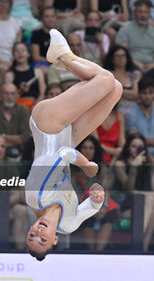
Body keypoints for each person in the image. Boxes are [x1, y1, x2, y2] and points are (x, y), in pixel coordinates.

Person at [25, 29, 122, 261]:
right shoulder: (68, 225)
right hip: (67, 136)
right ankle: (63, 59)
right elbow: (89, 209)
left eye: (31, 236)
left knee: (105, 80)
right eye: (43, 239)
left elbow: (64, 154)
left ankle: (64, 57)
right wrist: (97, 199)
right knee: (115, 89)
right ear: (55, 239)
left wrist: (87, 166)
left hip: (46, 124)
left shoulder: (35, 195)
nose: (38, 232)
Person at [73, 135, 118, 251]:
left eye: (91, 148)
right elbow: (75, 193)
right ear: (79, 150)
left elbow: (106, 188)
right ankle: (91, 253)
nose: (87, 151)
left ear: (95, 150)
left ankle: (99, 252)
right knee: (85, 216)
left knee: (110, 214)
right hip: (83, 204)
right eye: (84, 148)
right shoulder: (73, 170)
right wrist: (92, 209)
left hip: (102, 203)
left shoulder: (102, 168)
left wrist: (104, 207)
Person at [113, 132, 154, 252]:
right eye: (133, 146)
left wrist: (150, 164)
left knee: (151, 206)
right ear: (127, 147)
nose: (137, 149)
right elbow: (129, 189)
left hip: (148, 204)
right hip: (125, 205)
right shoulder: (119, 164)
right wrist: (134, 167)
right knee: (149, 200)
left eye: (140, 147)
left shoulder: (148, 163)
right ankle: (138, 248)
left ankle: (143, 248)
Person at [0, 83, 30, 159]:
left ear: (17, 96)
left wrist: (2, 136)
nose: (10, 97)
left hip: (21, 153)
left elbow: (25, 138)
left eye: (12, 94)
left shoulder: (24, 111)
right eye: (6, 94)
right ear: (0, 96)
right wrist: (16, 140)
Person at [115, 0, 154, 78]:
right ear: (134, 12)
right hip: (132, 66)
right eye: (140, 12)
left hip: (151, 66)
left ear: (150, 13)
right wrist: (139, 65)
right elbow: (122, 53)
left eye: (146, 12)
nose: (143, 15)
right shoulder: (125, 30)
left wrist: (151, 66)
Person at [5, 42, 46, 111]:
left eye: (23, 50)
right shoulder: (9, 75)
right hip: (17, 107)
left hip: (35, 104)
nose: (20, 53)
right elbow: (8, 98)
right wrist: (21, 91)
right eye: (17, 51)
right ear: (13, 55)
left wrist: (36, 105)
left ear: (28, 54)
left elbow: (42, 94)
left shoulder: (38, 72)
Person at [103, 44, 142, 113]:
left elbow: (135, 95)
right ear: (112, 59)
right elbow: (109, 94)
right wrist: (129, 94)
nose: (121, 59)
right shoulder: (108, 74)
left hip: (133, 111)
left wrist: (118, 92)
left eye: (123, 56)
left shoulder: (133, 75)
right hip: (115, 110)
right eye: (117, 56)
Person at [125, 77, 154, 156]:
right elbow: (135, 140)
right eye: (144, 93)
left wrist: (146, 141)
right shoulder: (130, 114)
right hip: (140, 155)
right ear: (139, 94)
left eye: (150, 92)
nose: (147, 96)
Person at [30, 6, 57, 76]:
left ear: (56, 18)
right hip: (42, 63)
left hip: (57, 64)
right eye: (47, 17)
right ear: (42, 19)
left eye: (52, 16)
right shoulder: (37, 34)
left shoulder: (59, 34)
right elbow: (36, 57)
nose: (50, 19)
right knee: (46, 71)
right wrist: (53, 61)